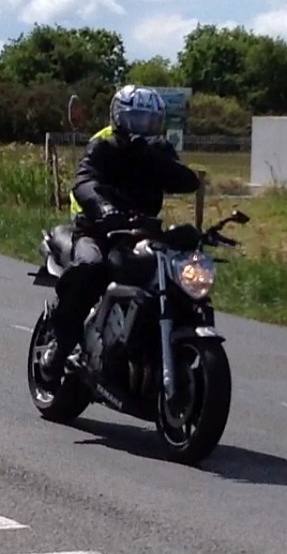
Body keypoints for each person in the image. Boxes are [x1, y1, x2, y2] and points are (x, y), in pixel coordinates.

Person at [40, 84, 201, 381]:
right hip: (97, 229)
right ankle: (61, 347)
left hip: (141, 232)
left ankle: (161, 344)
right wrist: (103, 209)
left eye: (149, 121)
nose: (142, 127)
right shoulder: (105, 146)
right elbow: (84, 181)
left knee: (176, 273)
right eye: (135, 119)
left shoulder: (159, 150)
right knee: (91, 266)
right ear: (118, 117)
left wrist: (155, 158)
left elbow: (186, 180)